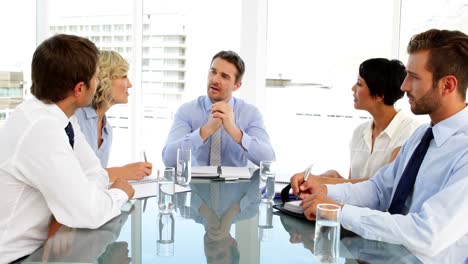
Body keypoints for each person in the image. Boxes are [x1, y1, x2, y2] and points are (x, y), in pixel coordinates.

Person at [291, 29, 468, 263]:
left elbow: (427, 233)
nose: (404, 86)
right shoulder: (422, 136)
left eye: (414, 77)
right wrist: (323, 191)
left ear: (447, 85)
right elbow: (378, 190)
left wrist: (340, 211)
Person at [0, 34, 134, 263]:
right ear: (80, 88)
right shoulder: (41, 129)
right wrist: (121, 192)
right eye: (95, 76)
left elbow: (94, 172)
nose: (98, 82)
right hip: (17, 257)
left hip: (43, 250)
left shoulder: (61, 117)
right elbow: (88, 212)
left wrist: (86, 195)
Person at [291, 58, 419, 185]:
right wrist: (337, 179)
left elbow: (386, 185)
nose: (353, 88)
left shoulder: (409, 131)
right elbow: (355, 191)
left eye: (359, 84)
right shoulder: (360, 132)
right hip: (354, 207)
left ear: (379, 94)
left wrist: (325, 181)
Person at [162, 50, 275, 167]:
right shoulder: (187, 111)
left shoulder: (251, 114)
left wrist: (236, 133)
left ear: (237, 85)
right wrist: (204, 131)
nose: (215, 80)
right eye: (213, 72)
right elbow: (168, 160)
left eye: (224, 76)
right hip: (194, 184)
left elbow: (268, 160)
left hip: (237, 185)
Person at [75, 50, 152, 181]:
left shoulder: (107, 131)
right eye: (123, 76)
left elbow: (97, 181)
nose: (130, 84)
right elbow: (73, 178)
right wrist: (123, 172)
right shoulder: (74, 119)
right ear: (104, 79)